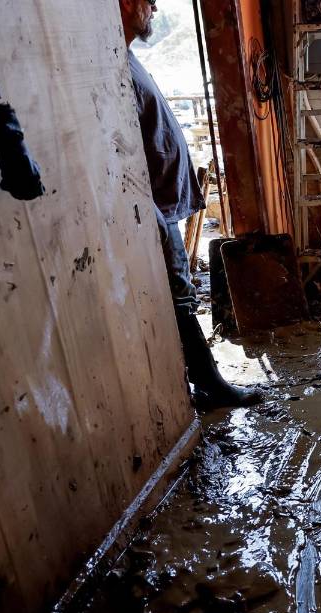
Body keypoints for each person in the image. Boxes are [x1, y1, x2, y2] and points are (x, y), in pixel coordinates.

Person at [118, 0, 262, 408]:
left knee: (179, 293)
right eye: (149, 2)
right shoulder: (115, 65)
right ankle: (210, 385)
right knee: (180, 297)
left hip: (160, 205)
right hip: (151, 210)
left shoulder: (126, 58)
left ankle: (199, 382)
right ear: (128, 4)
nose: (155, 9)